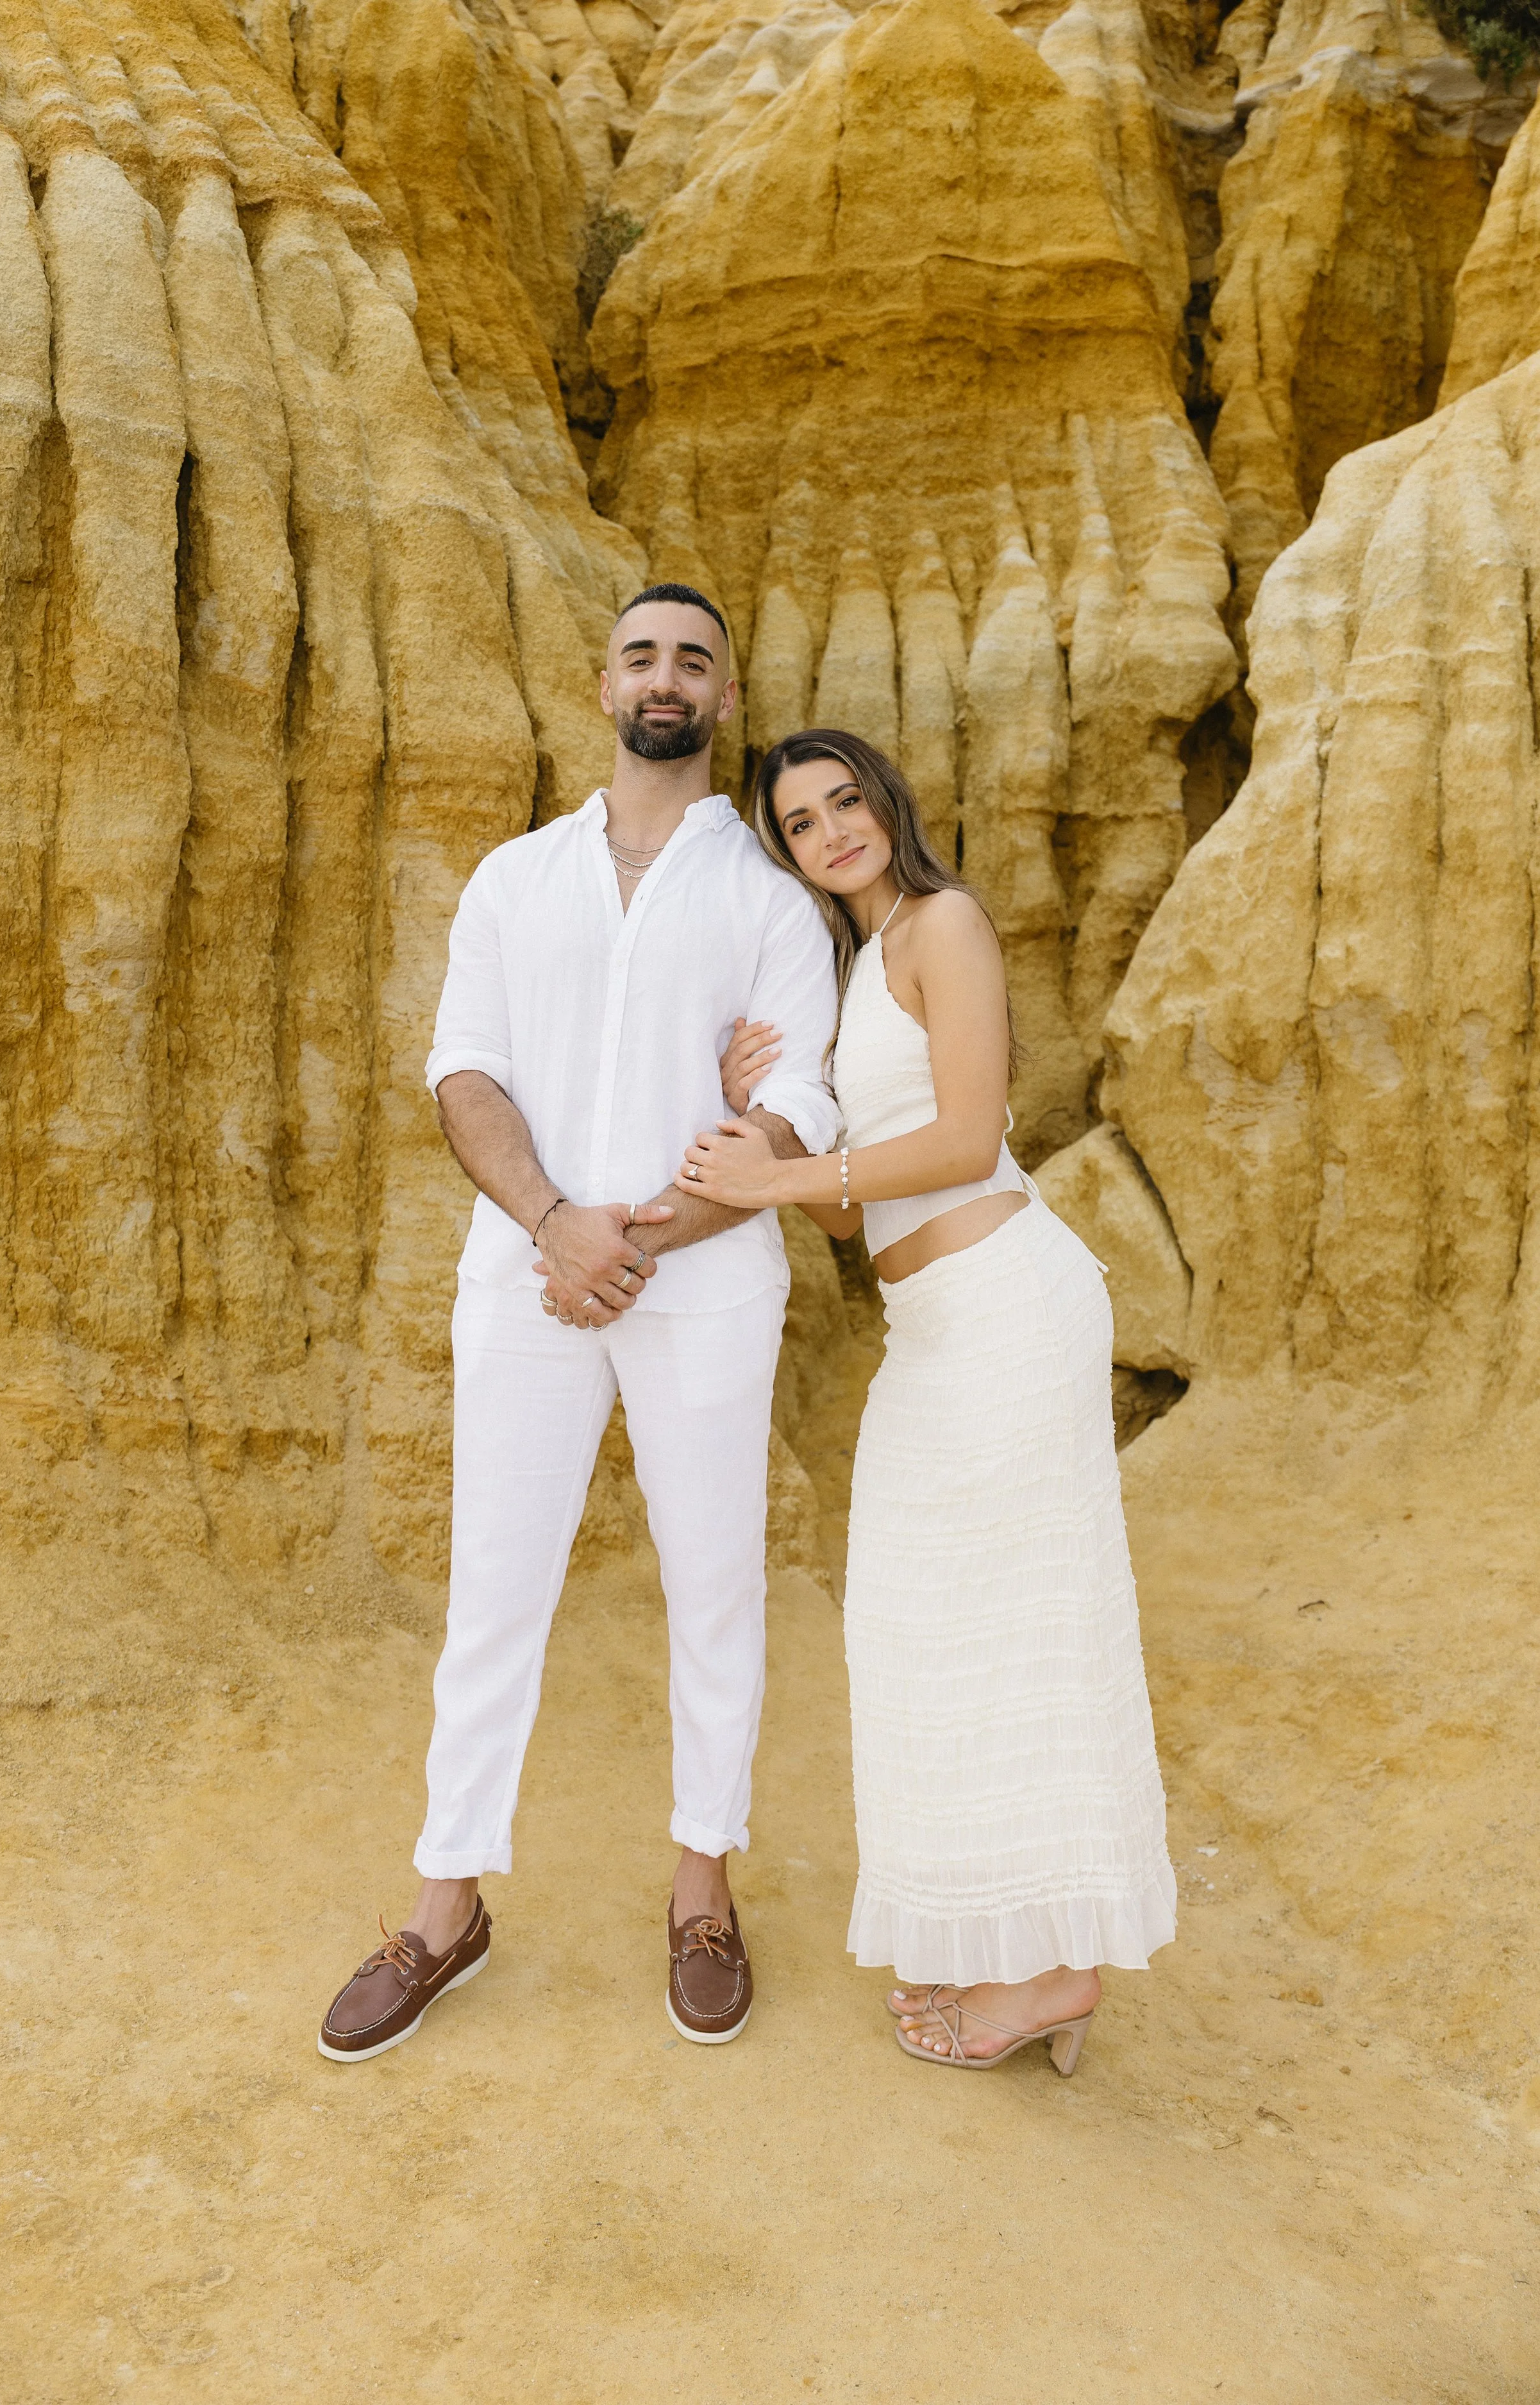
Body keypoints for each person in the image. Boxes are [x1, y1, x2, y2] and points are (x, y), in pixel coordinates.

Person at [319, 587, 839, 2062]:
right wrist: (560, 1227)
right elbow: (463, 1078)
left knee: (714, 1583)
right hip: (528, 1283)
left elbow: (796, 1110)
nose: (663, 680)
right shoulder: (514, 880)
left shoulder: (767, 902)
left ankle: (701, 1886)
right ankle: (445, 1906)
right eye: (640, 657)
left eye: (693, 661)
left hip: (706, 1290)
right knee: (494, 1586)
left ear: (724, 698)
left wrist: (640, 1235)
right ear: (599, 686)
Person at [679, 728, 1176, 2074]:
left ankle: (1049, 1976)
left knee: (1017, 1624)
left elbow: (965, 1138)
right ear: (783, 852)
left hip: (1007, 1314)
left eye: (846, 801)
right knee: (931, 1621)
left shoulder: (939, 924)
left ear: (886, 803)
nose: (831, 829)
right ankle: (1020, 1946)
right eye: (799, 821)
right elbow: (870, 1217)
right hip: (938, 1322)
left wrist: (772, 1181)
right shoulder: (857, 970)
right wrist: (774, 1118)